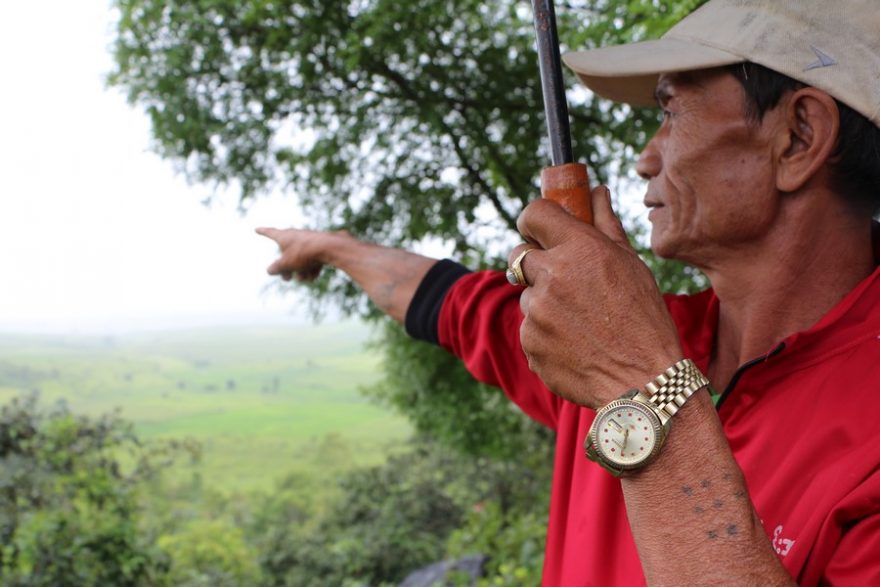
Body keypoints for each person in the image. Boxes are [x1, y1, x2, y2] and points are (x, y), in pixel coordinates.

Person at [257, 1, 880, 584]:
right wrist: (334, 248)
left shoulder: (620, 354)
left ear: (799, 136)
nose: (645, 159)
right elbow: (454, 306)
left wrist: (637, 384)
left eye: (671, 113)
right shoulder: (612, 343)